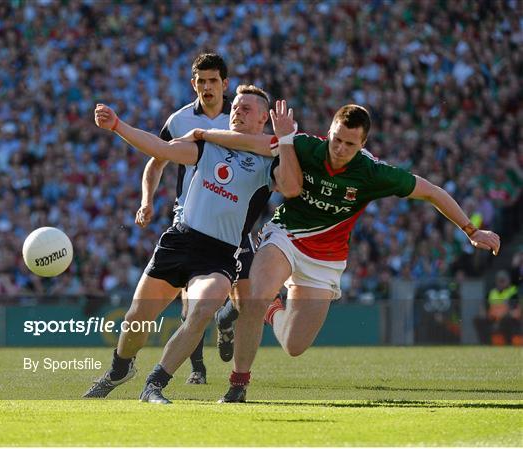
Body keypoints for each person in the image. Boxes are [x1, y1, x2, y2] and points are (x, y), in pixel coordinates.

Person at [187, 101, 501, 402]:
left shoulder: (373, 172)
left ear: (363, 144)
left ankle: (267, 308)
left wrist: (471, 231)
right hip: (286, 235)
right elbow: (251, 142)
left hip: (325, 259)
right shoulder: (306, 146)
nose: (340, 149)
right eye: (337, 140)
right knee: (255, 295)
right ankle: (238, 384)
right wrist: (203, 135)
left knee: (294, 345)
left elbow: (431, 192)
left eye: (350, 145)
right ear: (330, 131)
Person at [83, 85, 300, 403]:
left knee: (201, 309)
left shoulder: (270, 159)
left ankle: (153, 386)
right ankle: (120, 368)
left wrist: (285, 140)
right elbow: (163, 150)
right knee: (135, 320)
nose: (237, 111)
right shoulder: (209, 143)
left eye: (246, 109)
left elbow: (292, 187)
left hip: (219, 254)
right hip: (180, 241)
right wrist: (118, 125)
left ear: (264, 119)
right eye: (236, 106)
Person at [135, 53, 241, 384]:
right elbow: (156, 162)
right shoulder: (180, 120)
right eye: (201, 81)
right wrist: (147, 201)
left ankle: (227, 320)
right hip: (190, 219)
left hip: (233, 218)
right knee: (191, 301)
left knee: (248, 295)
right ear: (193, 83)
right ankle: (197, 368)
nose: (207, 87)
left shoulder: (240, 118)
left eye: (213, 81)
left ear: (225, 84)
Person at [474, 270, 521, 345]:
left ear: (508, 281)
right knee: (478, 319)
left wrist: (500, 319)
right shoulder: (491, 292)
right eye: (499, 280)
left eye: (503, 280)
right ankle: (485, 343)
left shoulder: (512, 292)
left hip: (507, 319)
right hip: (492, 319)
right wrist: (482, 313)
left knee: (507, 320)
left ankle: (508, 342)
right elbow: (483, 306)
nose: (501, 283)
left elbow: (514, 311)